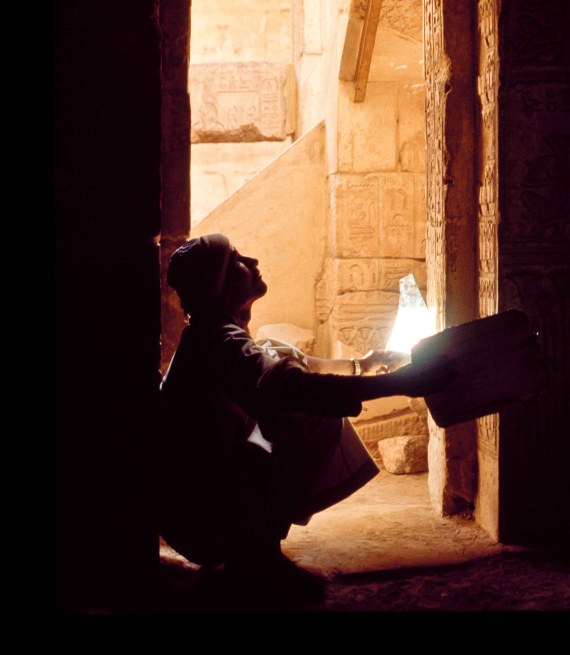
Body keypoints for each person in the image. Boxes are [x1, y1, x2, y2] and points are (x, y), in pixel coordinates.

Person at [159, 233, 457, 607]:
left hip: (195, 509)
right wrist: (404, 383)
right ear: (220, 287)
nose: (251, 260)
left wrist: (362, 366)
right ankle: (253, 558)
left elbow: (294, 367)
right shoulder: (216, 341)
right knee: (303, 408)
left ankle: (255, 549)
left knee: (280, 360)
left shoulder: (215, 334)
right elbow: (295, 388)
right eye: (236, 260)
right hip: (200, 518)